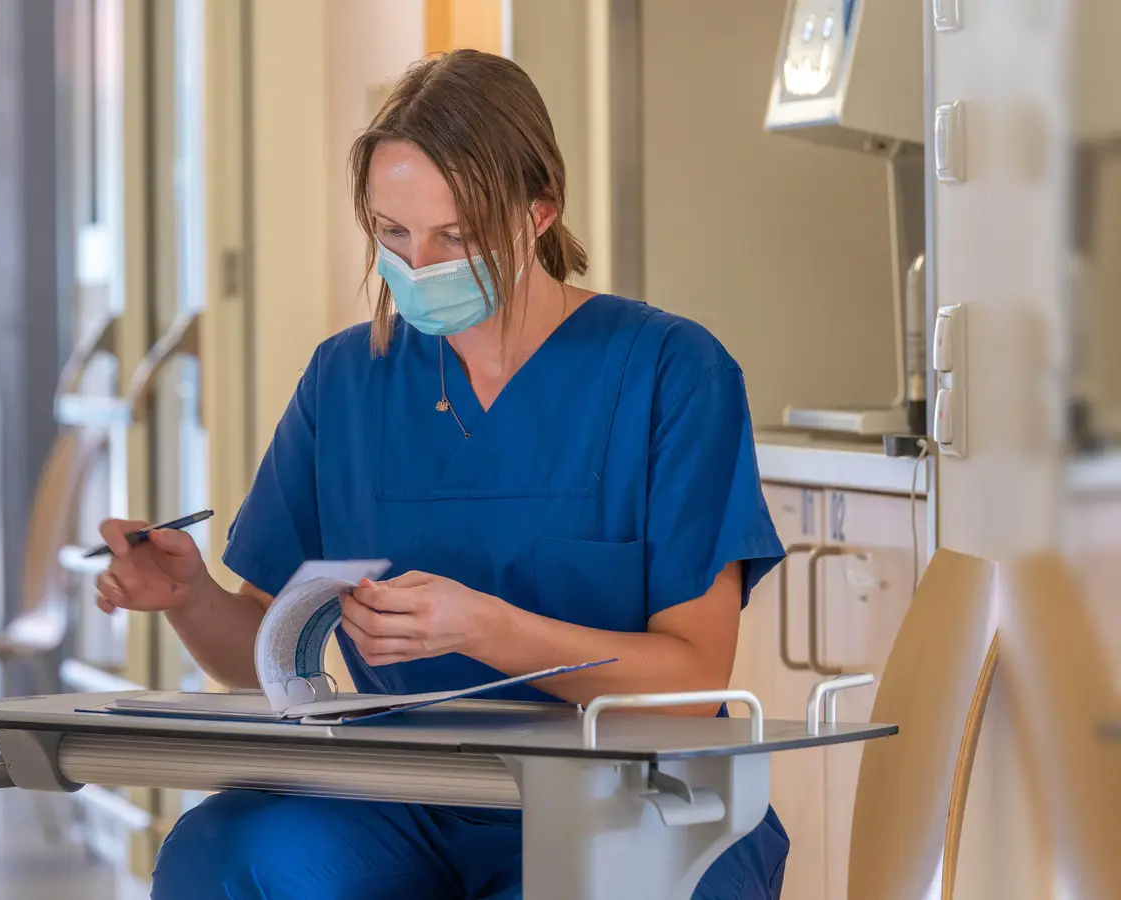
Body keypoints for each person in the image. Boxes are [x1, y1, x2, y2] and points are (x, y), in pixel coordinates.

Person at [94, 49, 789, 900]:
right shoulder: (348, 380)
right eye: (393, 232)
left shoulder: (670, 372)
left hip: (629, 800)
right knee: (224, 852)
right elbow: (263, 653)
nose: (419, 265)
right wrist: (189, 596)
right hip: (402, 796)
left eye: (454, 237)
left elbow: (690, 686)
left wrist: (487, 628)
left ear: (540, 212)